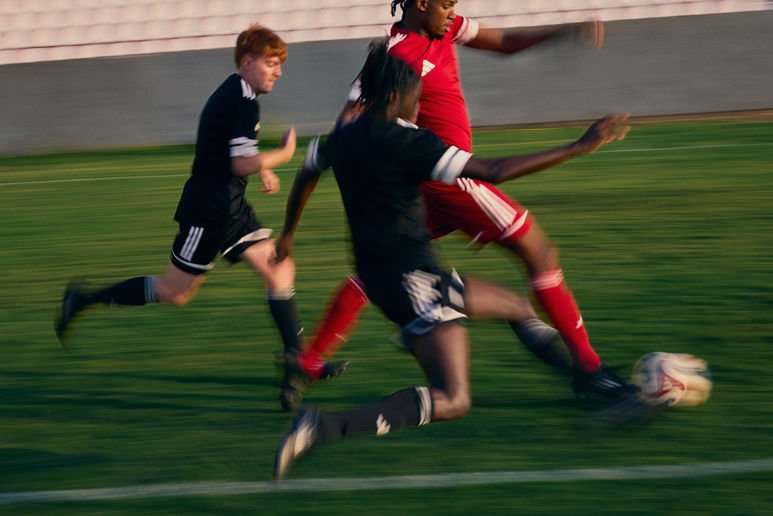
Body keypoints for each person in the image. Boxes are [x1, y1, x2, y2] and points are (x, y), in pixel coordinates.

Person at [273, 43, 631, 479]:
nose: (419, 105)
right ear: (394, 99)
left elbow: (307, 172)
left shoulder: (341, 139)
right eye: (416, 98)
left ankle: (587, 377)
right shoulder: (409, 142)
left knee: (517, 306)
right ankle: (322, 426)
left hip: (385, 277)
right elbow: (493, 170)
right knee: (454, 398)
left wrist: (289, 233)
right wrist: (579, 146)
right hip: (415, 283)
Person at [53, 24, 340, 395]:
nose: (278, 71)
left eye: (279, 64)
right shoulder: (241, 99)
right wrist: (281, 156)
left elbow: (226, 148)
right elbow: (238, 163)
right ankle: (83, 300)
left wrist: (262, 166)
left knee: (280, 268)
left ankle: (296, 364)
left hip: (230, 207)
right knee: (176, 292)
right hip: (207, 212)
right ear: (248, 61)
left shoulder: (238, 93)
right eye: (271, 63)